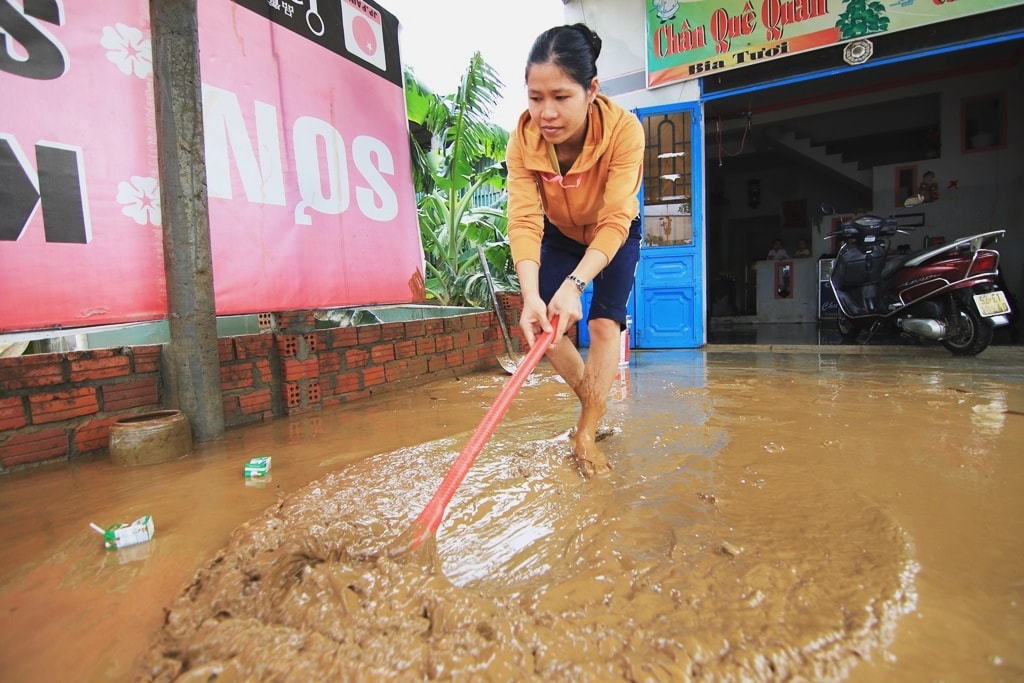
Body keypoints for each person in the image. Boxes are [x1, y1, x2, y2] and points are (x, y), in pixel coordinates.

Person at [505, 23, 644, 478]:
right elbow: (525, 220)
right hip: (561, 232)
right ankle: (595, 405)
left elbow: (615, 218)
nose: (546, 112)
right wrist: (531, 297)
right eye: (535, 97)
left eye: (561, 97)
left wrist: (576, 283)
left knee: (604, 324)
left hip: (613, 231)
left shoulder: (624, 131)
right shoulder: (522, 142)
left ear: (591, 90)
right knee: (549, 325)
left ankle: (585, 431)